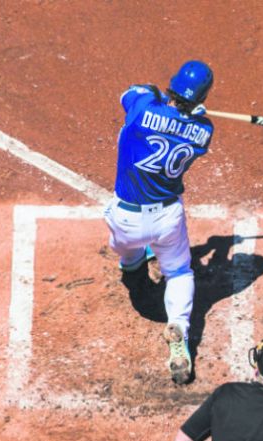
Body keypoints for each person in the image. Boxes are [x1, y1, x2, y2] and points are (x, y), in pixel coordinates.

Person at [103, 60, 215, 384]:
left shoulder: (140, 111)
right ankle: (178, 326)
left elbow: (133, 93)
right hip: (167, 218)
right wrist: (191, 115)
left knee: (125, 249)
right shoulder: (204, 131)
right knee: (179, 271)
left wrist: (154, 92)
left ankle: (132, 264)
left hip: (126, 218)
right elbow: (192, 123)